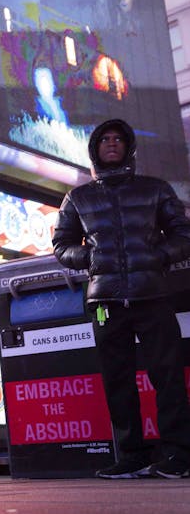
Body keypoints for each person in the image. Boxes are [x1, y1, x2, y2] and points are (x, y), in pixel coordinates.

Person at [53, 118, 190, 479]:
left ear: (129, 147)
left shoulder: (155, 189)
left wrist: (158, 256)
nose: (112, 143)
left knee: (168, 376)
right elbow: (61, 245)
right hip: (105, 302)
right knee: (118, 379)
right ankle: (133, 455)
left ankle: (178, 455)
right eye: (105, 139)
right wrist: (90, 259)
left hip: (152, 294)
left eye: (118, 139)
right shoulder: (78, 197)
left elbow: (183, 233)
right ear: (95, 148)